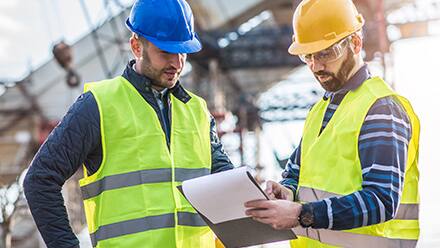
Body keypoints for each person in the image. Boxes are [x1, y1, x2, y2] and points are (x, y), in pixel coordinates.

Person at [23, 0, 234, 247]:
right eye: (165, 52)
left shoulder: (197, 110)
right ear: (136, 46)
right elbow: (40, 178)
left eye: (182, 52)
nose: (177, 63)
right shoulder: (98, 105)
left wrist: (266, 195)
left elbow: (226, 180)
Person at [245, 0, 420, 247]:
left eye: (326, 53)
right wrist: (286, 191)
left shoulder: (380, 109)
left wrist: (299, 214)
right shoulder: (319, 112)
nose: (316, 66)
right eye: (308, 56)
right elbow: (295, 174)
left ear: (356, 43)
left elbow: (381, 201)